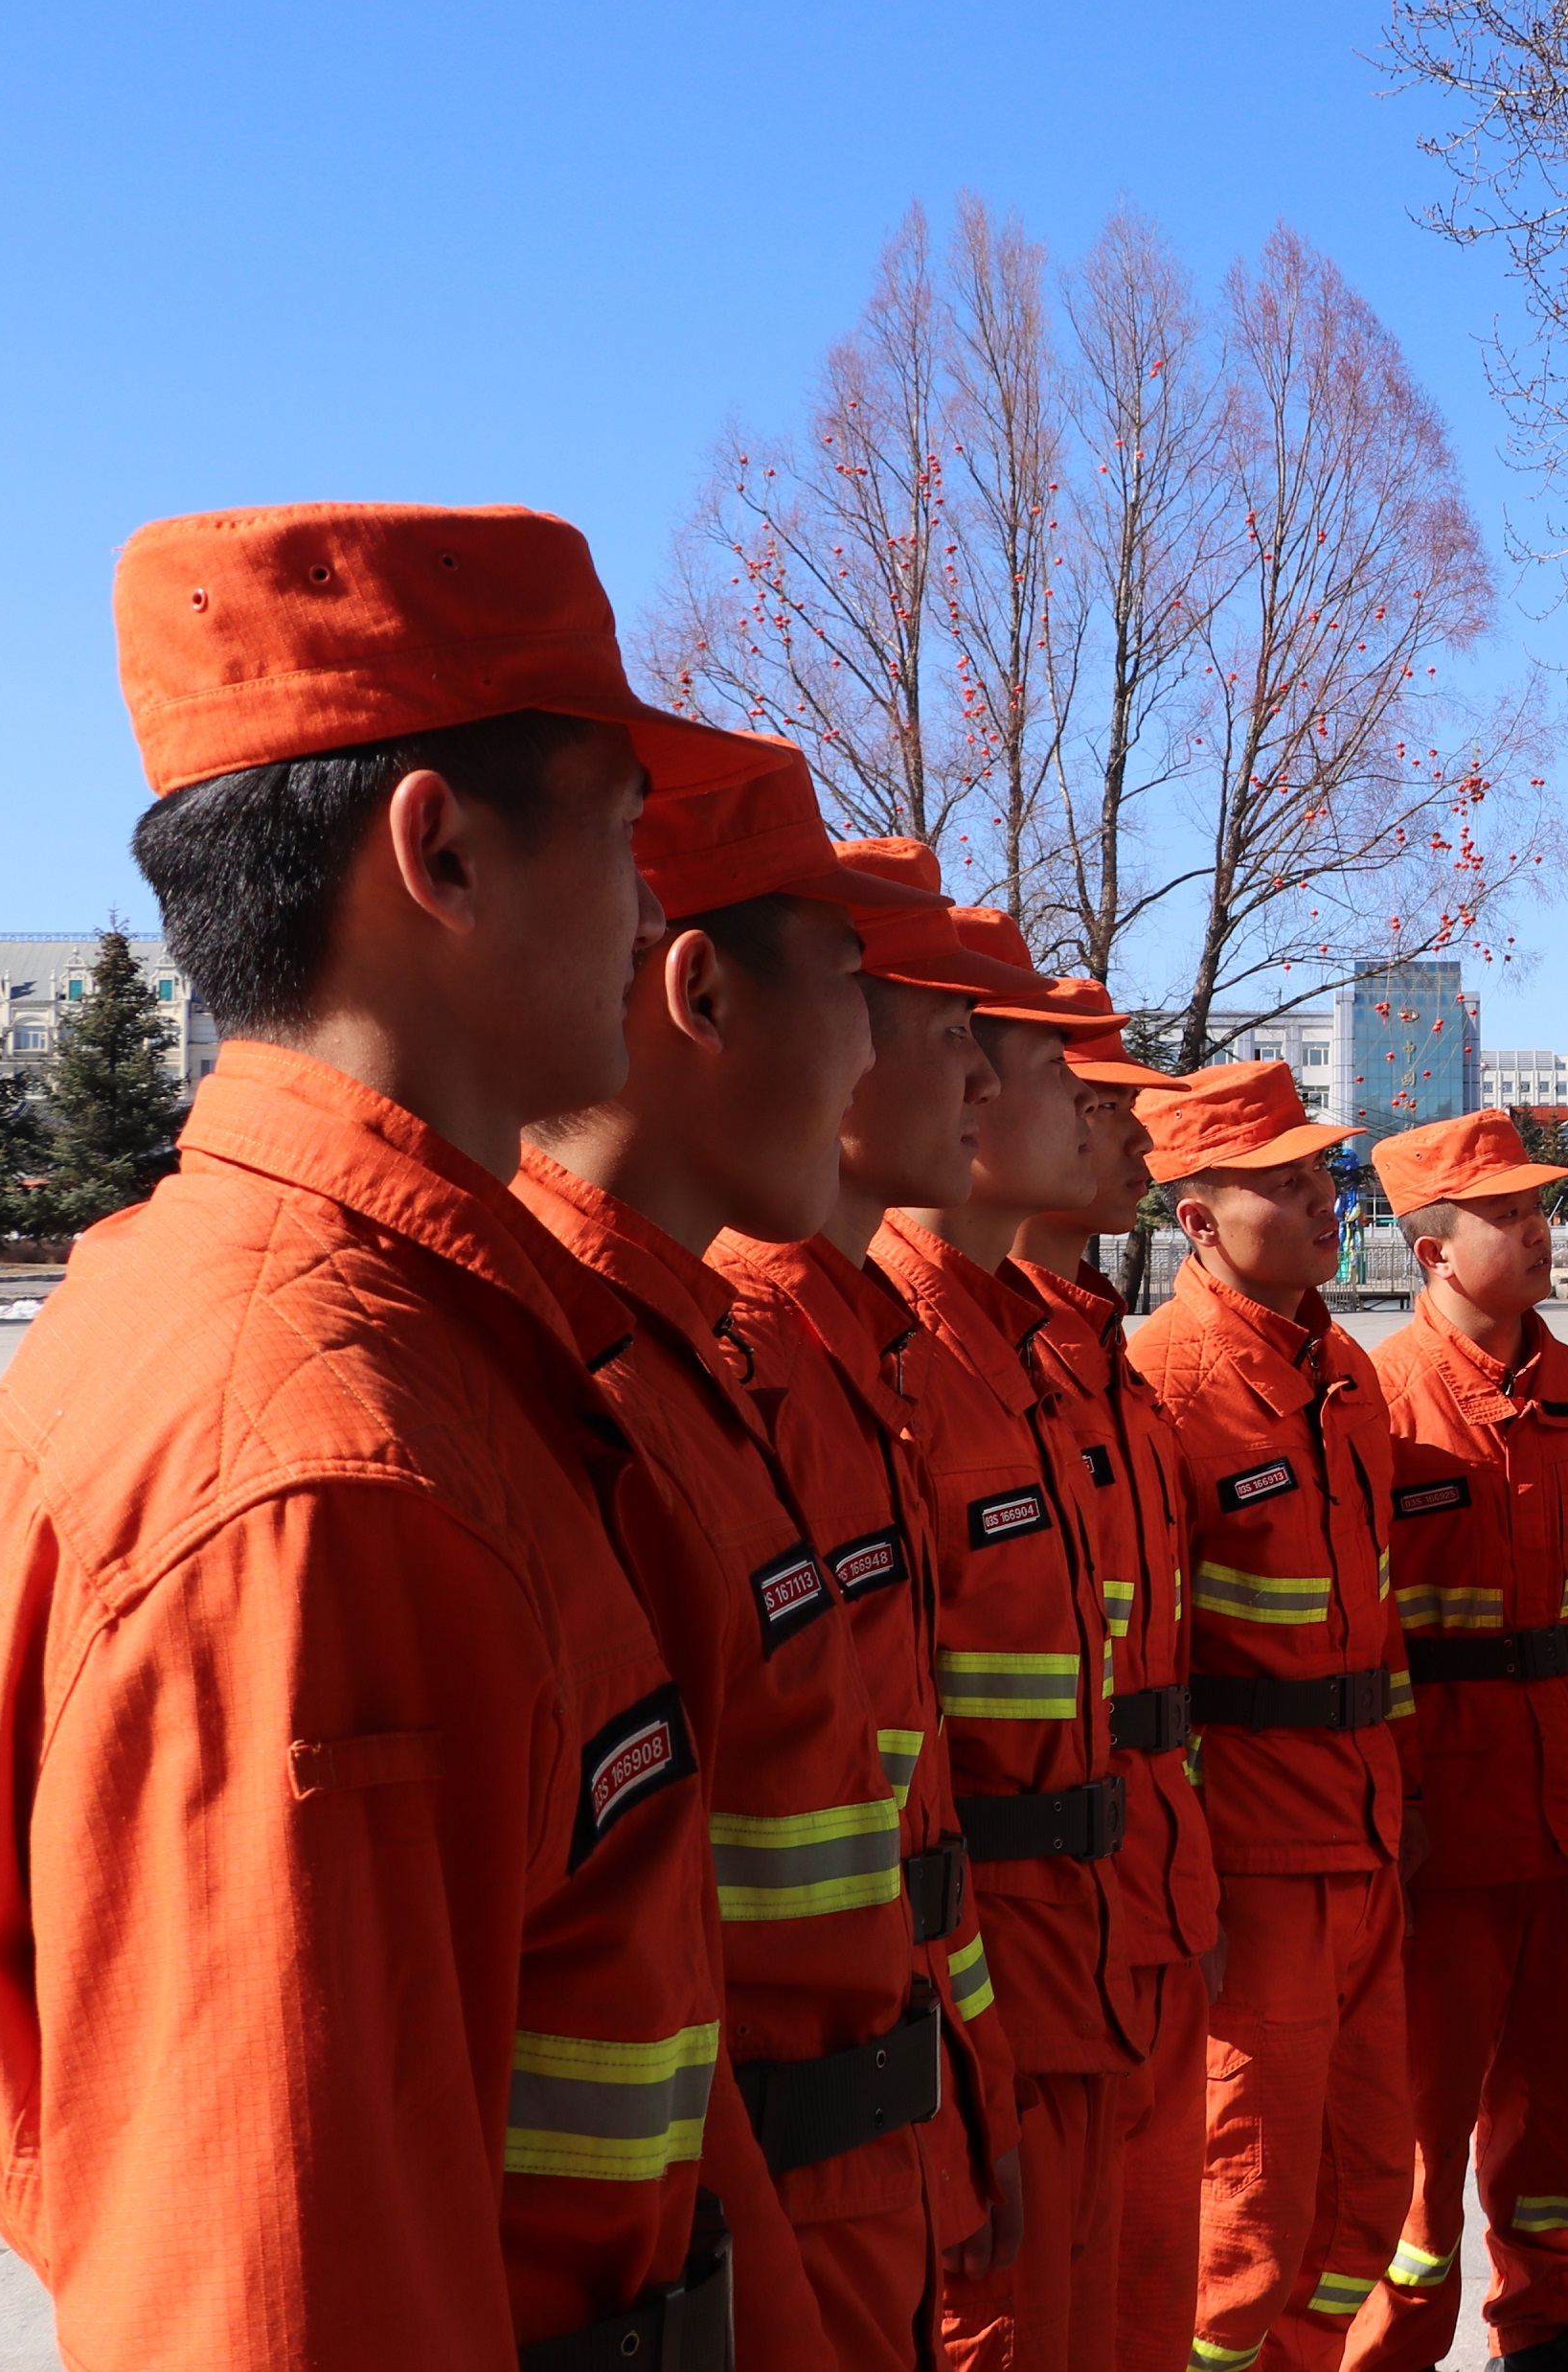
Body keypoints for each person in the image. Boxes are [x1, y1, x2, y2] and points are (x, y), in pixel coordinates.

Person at [0, 503, 791, 2361]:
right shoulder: (320, 1478)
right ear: (442, 852)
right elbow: (281, 2302)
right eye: (628, 835)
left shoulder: (341, 1348)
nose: (651, 912)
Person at [518, 745, 974, 2367]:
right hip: (742, 2260)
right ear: (700, 993)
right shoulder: (556, 1388)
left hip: (840, 2211)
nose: (877, 1059)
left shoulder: (696, 1355)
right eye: (863, 991)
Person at [709, 839, 1044, 2321]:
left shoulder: (858, 1353)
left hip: (903, 2099)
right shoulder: (744, 1361)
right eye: (945, 1032)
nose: (977, 1083)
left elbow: (905, 1809)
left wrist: (972, 2072)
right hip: (787, 2184)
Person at [1344, 1112, 1568, 2372]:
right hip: (1442, 1821)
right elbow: (1358, 1621)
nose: (1543, 1229)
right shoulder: (1374, 1409)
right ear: (1431, 1247)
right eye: (1511, 1213)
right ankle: (1387, 2349)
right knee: (1420, 2121)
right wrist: (1391, 1800)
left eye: (1544, 1206)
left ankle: (1550, 2327)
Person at [875, 916, 1163, 2372]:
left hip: (1079, 1961)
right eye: (1077, 1082)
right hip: (976, 2010)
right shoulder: (895, 1364)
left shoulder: (1019, 1350)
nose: (1105, 1118)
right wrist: (956, 2065)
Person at [1125, 1062, 1420, 2372]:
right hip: (1251, 1873)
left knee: (1364, 2194)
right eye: (1286, 1182)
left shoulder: (1346, 1369)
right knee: (1240, 2219)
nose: (1325, 1200)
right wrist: (1186, 1886)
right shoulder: (1162, 1387)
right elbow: (1148, 1671)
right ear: (1196, 1221)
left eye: (1324, 1175)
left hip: (1361, 1847)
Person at [992, 992, 1229, 2372]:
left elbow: (1153, 1679)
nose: (1142, 1135)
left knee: (1143, 2283)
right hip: (1028, 1946)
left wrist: (1185, 1880)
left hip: (1139, 1894)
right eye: (1105, 1104)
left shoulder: (1102, 1368)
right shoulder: (976, 1366)